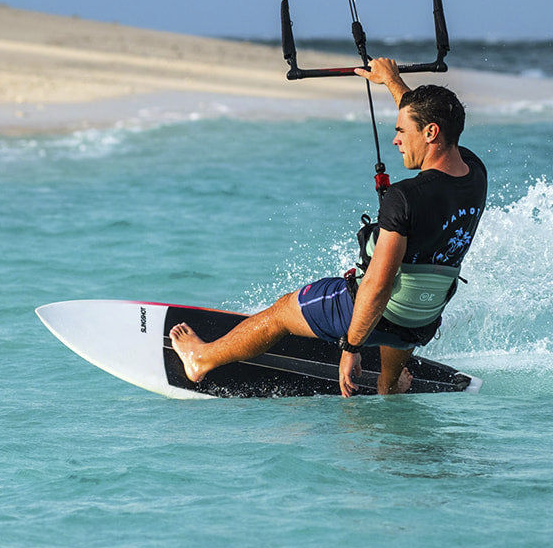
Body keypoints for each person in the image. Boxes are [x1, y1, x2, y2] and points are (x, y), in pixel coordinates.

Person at [169, 57, 487, 396]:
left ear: (430, 133)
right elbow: (426, 119)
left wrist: (351, 348)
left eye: (400, 131)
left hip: (385, 311)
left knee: (282, 312)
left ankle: (201, 359)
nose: (396, 140)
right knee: (394, 356)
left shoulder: (404, 198)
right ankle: (388, 384)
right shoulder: (475, 173)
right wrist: (392, 81)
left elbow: (377, 287)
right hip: (422, 319)